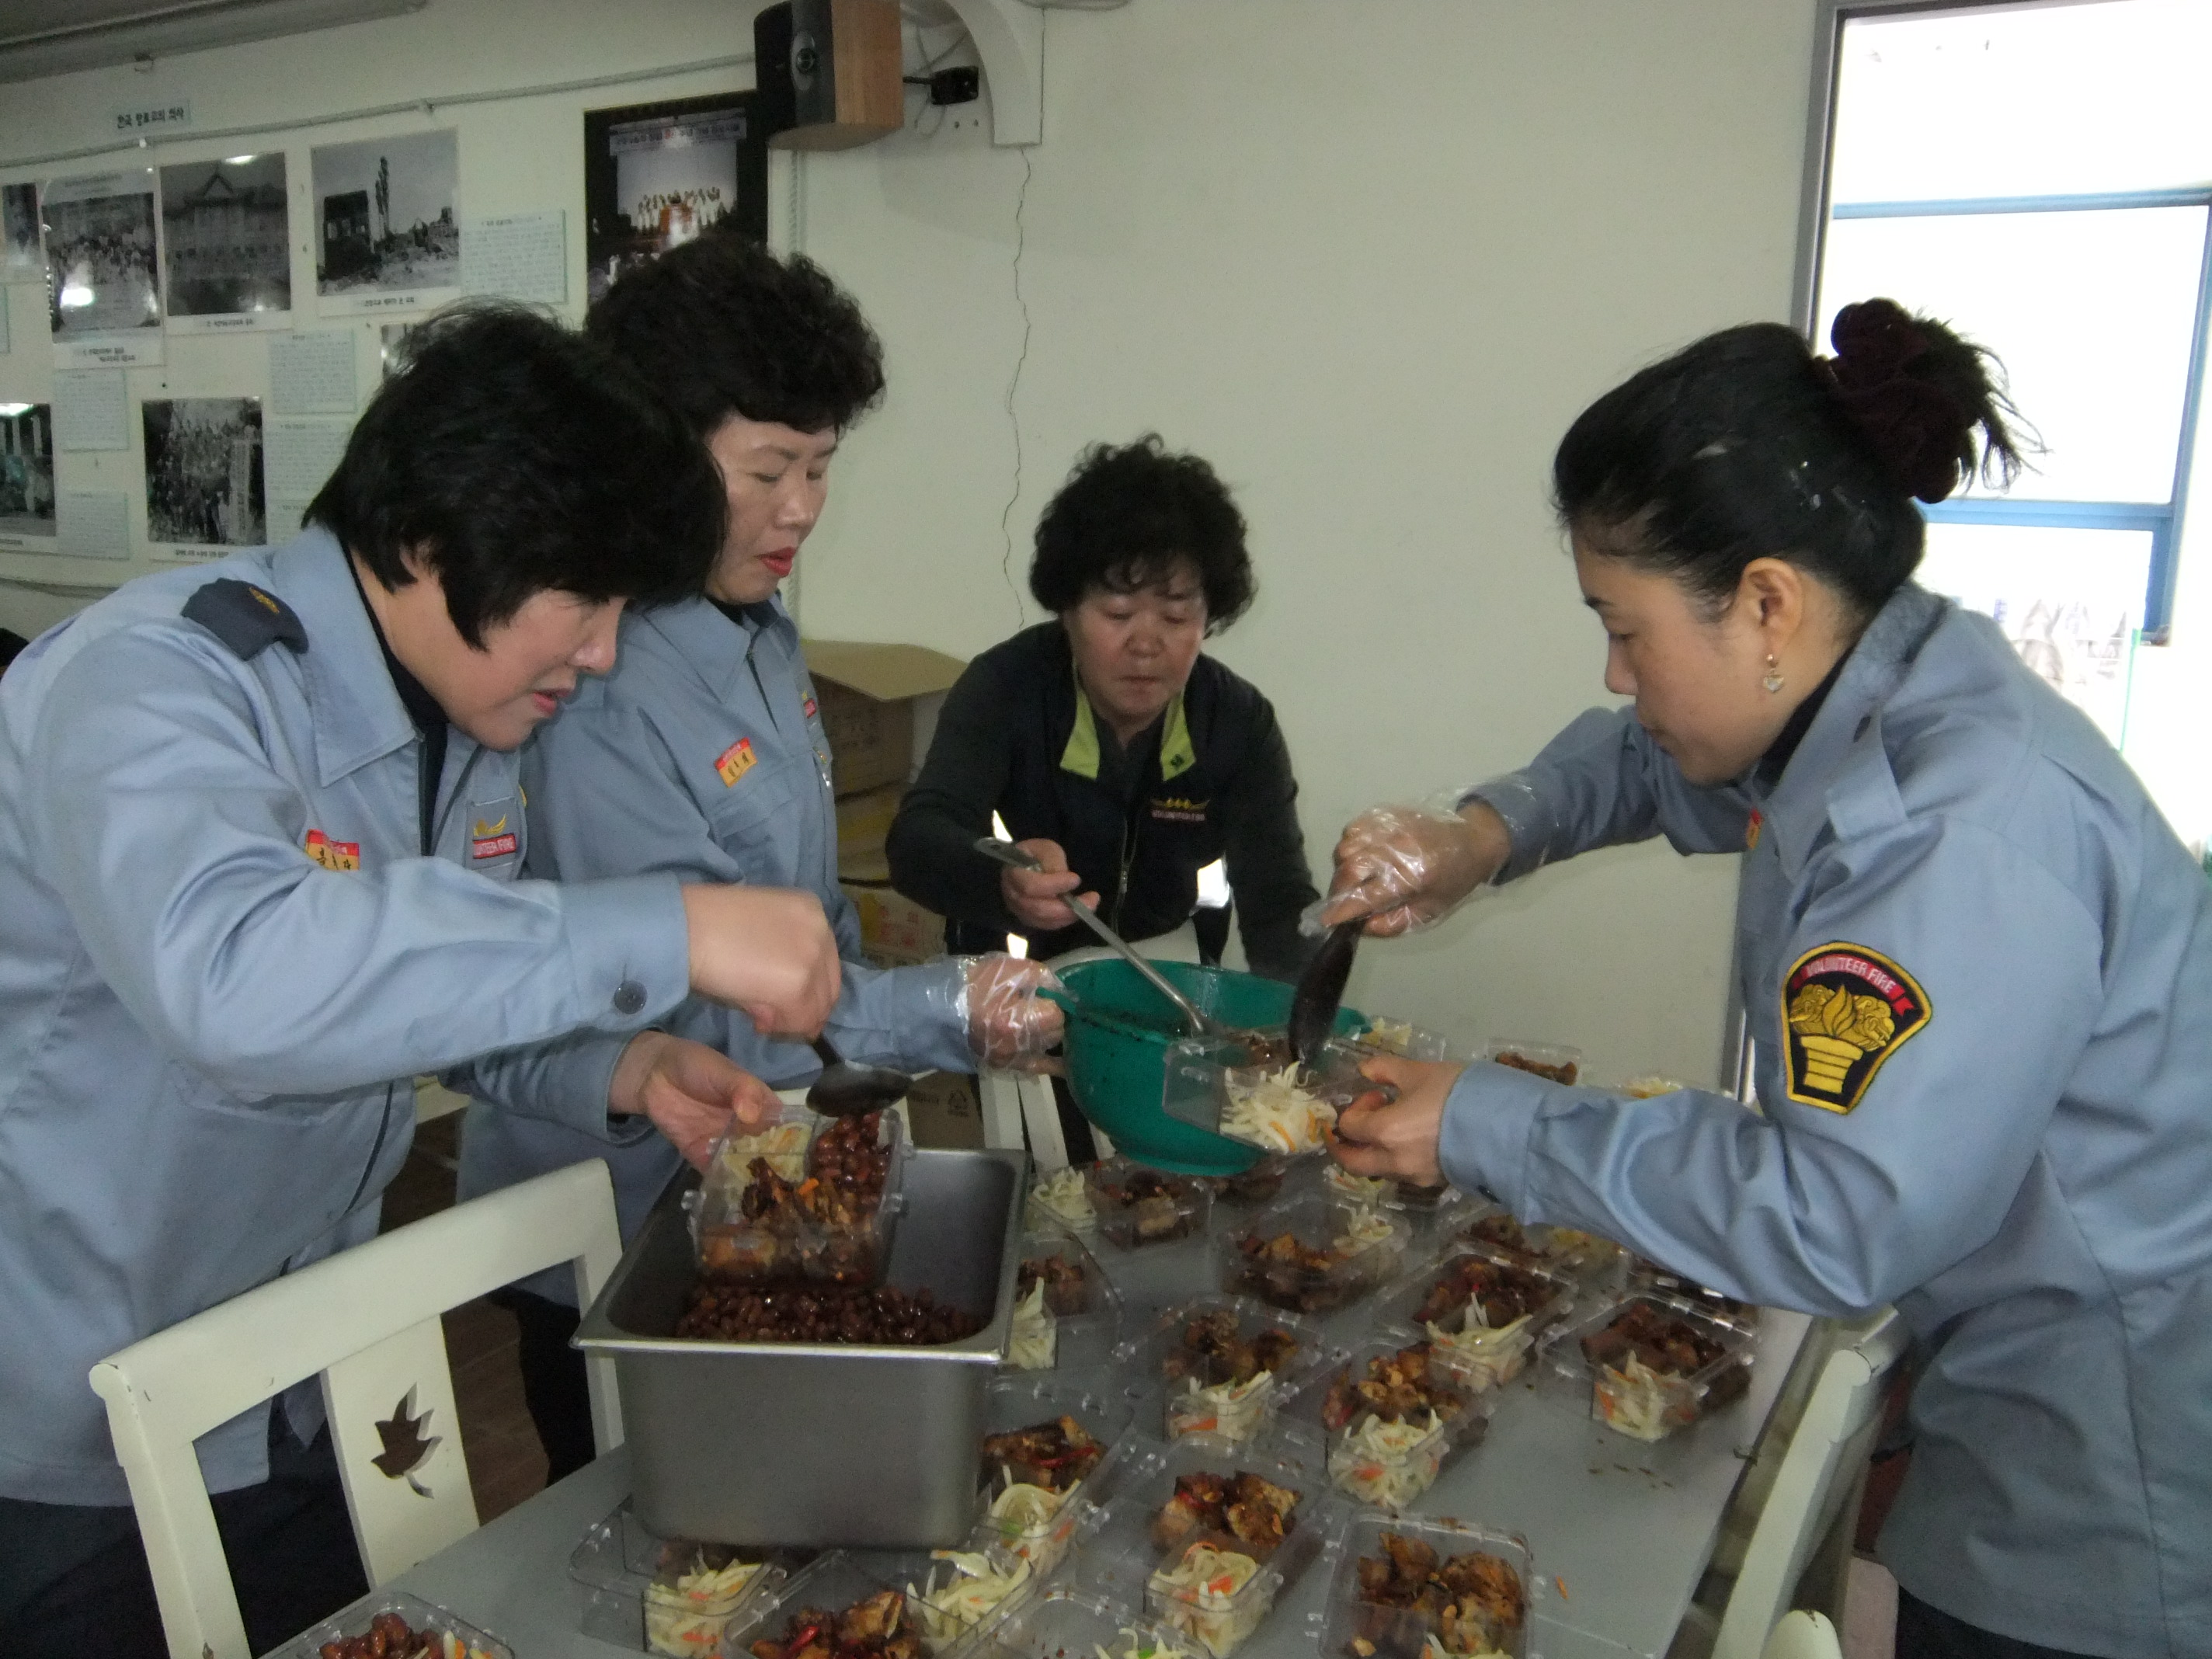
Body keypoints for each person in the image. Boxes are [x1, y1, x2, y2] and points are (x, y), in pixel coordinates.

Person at [1320, 300, 2211, 1659]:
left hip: (2104, 1449)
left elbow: (1833, 1215)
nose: (1615, 672)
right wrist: (1478, 836)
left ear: (1766, 604)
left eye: (1626, 632)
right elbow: (1644, 759)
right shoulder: (1863, 694)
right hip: (2011, 1356)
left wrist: (1483, 1118)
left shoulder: (1952, 833)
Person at [0, 304, 843, 1658]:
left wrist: (615, 1065)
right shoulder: (157, 683)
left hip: (301, 1381)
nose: (603, 653)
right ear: (433, 542)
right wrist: (665, 929)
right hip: (74, 1426)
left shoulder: (461, 724)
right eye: (584, 601)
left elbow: (422, 1001)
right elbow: (239, 980)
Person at [455, 231, 1065, 1479]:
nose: (802, 509)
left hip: (756, 1175)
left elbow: (806, 919)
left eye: (821, 467)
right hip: (617, 1207)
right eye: (768, 470)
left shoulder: (759, 629)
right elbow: (706, 1008)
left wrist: (921, 1000)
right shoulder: (601, 680)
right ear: (656, 459)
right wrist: (946, 1008)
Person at [888, 435, 1320, 976]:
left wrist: (1309, 998)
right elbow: (918, 841)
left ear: (1209, 618)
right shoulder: (1006, 688)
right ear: (1066, 609)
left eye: (1176, 617)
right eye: (1118, 614)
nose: (1146, 645)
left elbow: (1279, 902)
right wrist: (1002, 881)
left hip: (1170, 980)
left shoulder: (1236, 722)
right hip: (1012, 981)